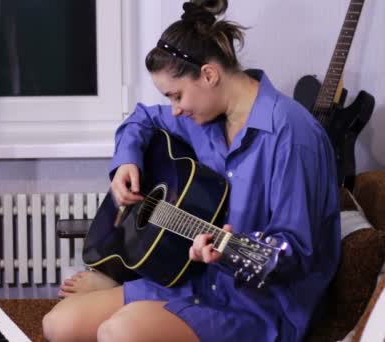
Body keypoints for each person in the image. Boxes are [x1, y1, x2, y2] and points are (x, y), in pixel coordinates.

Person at [42, 1, 341, 341]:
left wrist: (226, 251)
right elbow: (142, 118)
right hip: (191, 278)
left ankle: (128, 281)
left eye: (177, 96)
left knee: (119, 332)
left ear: (209, 75)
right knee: (58, 325)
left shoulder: (292, 135)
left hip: (256, 305)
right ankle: (130, 272)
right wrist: (128, 160)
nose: (176, 109)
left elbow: (294, 255)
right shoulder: (202, 117)